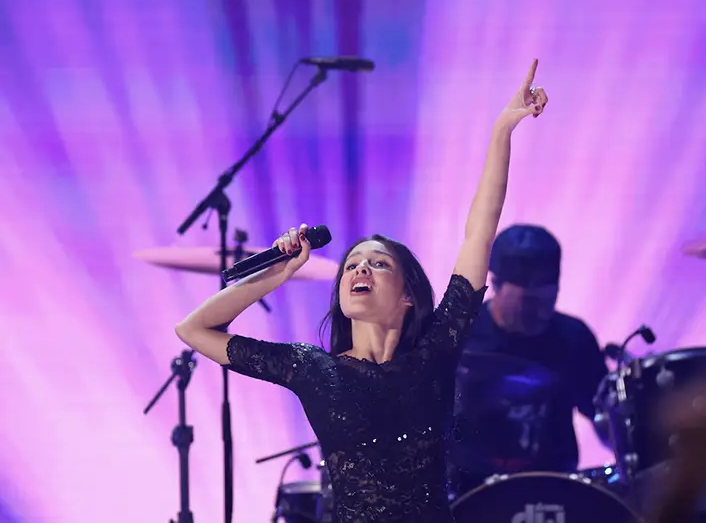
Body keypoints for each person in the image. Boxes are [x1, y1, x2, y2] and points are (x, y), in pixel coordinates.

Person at [175, 59, 548, 523]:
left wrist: (501, 132)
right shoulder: (313, 369)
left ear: (408, 294)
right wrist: (278, 273)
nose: (360, 269)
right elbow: (194, 328)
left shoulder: (437, 349)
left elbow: (479, 234)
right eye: (352, 264)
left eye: (377, 263)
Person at [449, 224, 610, 496]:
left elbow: (603, 416)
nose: (540, 313)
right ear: (495, 284)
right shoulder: (459, 334)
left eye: (548, 301)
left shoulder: (574, 338)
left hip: (552, 489)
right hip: (468, 491)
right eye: (527, 302)